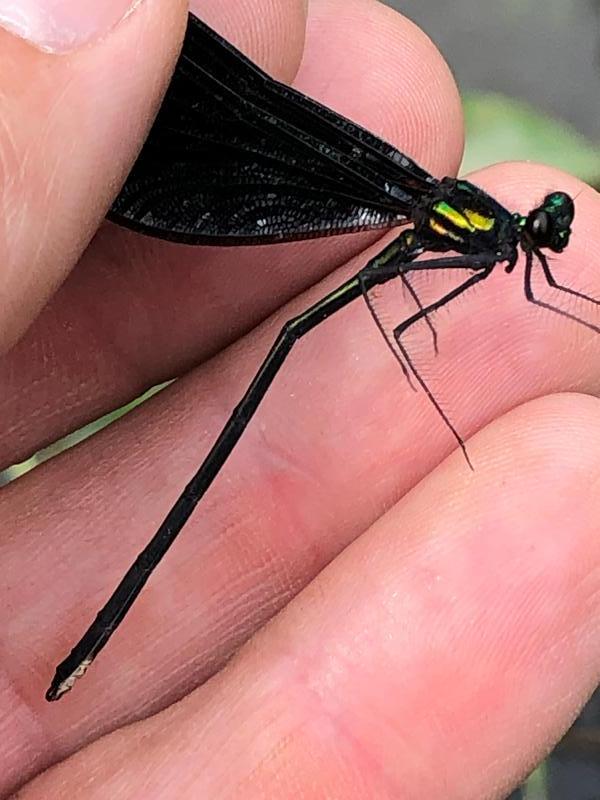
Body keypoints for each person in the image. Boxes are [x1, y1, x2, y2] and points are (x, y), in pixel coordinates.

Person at [1, 1, 599, 797]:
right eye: (544, 229)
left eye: (543, 229)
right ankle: (87, 650)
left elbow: (500, 296)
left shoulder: (496, 238)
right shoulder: (485, 230)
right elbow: (423, 309)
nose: (540, 235)